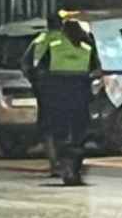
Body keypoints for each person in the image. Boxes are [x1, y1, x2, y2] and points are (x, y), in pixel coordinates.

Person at [26, 15, 100, 186]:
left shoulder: (53, 45)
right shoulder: (87, 47)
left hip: (56, 97)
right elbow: (96, 71)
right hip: (80, 97)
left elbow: (36, 68)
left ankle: (61, 166)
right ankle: (75, 168)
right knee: (78, 135)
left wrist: (39, 86)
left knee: (58, 133)